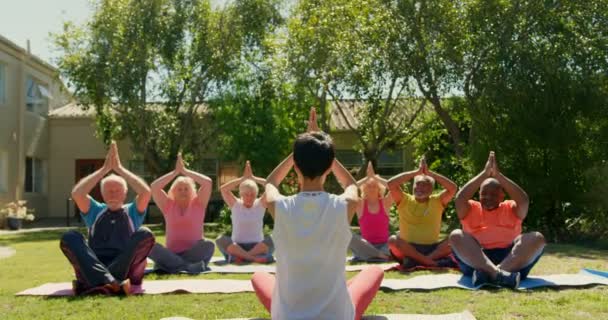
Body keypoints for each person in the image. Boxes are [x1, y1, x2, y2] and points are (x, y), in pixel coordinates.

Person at [251, 108, 384, 320]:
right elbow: (350, 183)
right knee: (373, 272)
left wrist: (301, 150)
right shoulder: (346, 204)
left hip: (288, 317)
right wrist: (324, 151)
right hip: (337, 316)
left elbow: (270, 182)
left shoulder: (278, 205)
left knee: (259, 275)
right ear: (330, 166)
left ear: (295, 165)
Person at [60, 141, 155, 295]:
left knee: (145, 234)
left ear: (125, 193)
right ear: (102, 194)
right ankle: (112, 282)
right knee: (70, 236)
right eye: (108, 190)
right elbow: (78, 193)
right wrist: (103, 170)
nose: (113, 193)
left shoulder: (132, 211)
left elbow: (145, 192)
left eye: (117, 190)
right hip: (95, 264)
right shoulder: (95, 210)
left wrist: (119, 169)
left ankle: (96, 282)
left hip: (124, 265)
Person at [449, 151, 546, 288]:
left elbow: (524, 200)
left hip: (511, 260)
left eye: (494, 194)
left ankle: (492, 274)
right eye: (484, 194)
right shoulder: (470, 208)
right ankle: (499, 276)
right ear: (479, 194)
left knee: (537, 237)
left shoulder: (510, 207)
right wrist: (484, 174)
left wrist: (498, 176)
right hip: (477, 260)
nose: (488, 197)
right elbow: (460, 198)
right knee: (456, 235)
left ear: (502, 196)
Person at [147, 153, 215, 274]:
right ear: (173, 192)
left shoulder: (199, 204)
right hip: (171, 252)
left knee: (208, 245)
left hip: (193, 252)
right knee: (149, 246)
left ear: (192, 191)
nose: (183, 191)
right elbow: (154, 186)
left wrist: (185, 171)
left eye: (186, 189)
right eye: (179, 189)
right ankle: (188, 266)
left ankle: (172, 265)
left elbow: (207, 182)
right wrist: (175, 172)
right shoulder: (168, 205)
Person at [387, 156, 458, 267]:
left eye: (425, 185)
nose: (420, 188)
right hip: (408, 248)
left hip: (432, 249)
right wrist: (417, 172)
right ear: (413, 186)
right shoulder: (404, 199)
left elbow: (453, 188)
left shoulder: (437, 201)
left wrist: (430, 173)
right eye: (417, 184)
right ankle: (430, 262)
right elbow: (391, 184)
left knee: (456, 238)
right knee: (393, 241)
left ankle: (420, 261)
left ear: (432, 190)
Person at [216, 161, 274, 264]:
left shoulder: (260, 204)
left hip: (257, 246)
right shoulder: (235, 204)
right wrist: (242, 179)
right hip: (237, 246)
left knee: (274, 238)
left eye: (252, 194)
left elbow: (271, 185)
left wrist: (253, 178)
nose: (249, 197)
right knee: (221, 239)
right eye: (246, 194)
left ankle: (242, 257)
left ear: (256, 194)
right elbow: (223, 189)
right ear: (241, 194)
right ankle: (253, 258)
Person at [348, 161, 393, 262]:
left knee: (395, 238)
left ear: (379, 189)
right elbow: (350, 188)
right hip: (366, 244)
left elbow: (394, 188)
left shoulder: (385, 202)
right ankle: (378, 255)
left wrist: (375, 177)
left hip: (384, 245)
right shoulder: (360, 204)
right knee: (348, 235)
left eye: (374, 186)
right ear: (363, 188)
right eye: (368, 185)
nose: (371, 188)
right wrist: (367, 178)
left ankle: (372, 255)